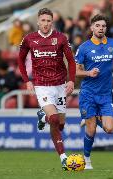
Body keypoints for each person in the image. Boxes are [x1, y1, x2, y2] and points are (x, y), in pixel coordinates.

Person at [17, 8, 76, 170]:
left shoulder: (61, 38)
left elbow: (71, 61)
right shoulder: (29, 39)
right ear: (38, 21)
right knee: (55, 120)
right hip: (42, 85)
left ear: (52, 22)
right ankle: (63, 157)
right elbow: (20, 60)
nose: (45, 24)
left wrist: (71, 81)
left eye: (48, 21)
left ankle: (43, 117)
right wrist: (26, 80)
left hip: (60, 85)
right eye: (43, 20)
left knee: (60, 125)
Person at [75, 14, 113, 169]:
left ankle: (93, 117)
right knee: (91, 130)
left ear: (106, 28)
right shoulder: (84, 48)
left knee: (110, 129)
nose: (100, 28)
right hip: (88, 93)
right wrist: (88, 73)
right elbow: (76, 71)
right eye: (97, 25)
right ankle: (87, 160)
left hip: (105, 95)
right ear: (92, 27)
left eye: (103, 26)